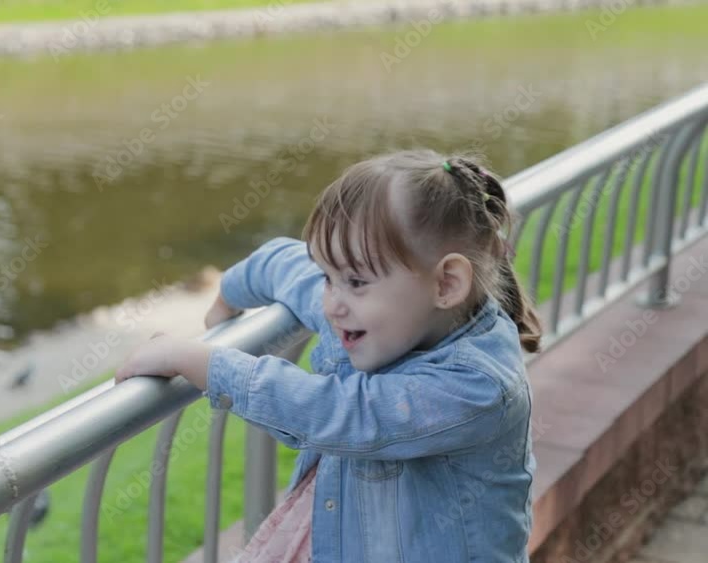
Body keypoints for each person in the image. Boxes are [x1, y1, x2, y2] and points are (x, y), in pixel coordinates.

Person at [114, 149, 540, 562]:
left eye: (355, 281)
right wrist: (228, 295)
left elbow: (339, 414)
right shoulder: (375, 315)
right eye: (328, 277)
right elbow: (285, 264)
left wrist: (196, 361)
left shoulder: (477, 386)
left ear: (446, 284)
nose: (332, 302)